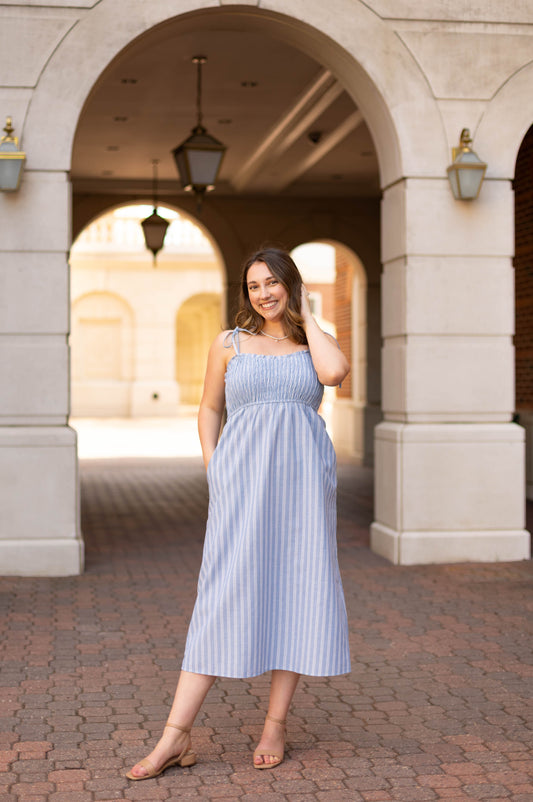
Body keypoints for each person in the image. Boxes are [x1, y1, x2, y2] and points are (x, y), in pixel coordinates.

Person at [126, 247, 351, 780]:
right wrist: (215, 468)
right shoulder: (229, 344)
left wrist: (308, 318)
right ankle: (174, 736)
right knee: (220, 598)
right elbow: (209, 407)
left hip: (303, 491)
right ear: (245, 293)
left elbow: (336, 373)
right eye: (254, 286)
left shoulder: (313, 344)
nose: (264, 293)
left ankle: (275, 723)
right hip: (241, 487)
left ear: (291, 286)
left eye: (274, 283)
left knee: (299, 594)